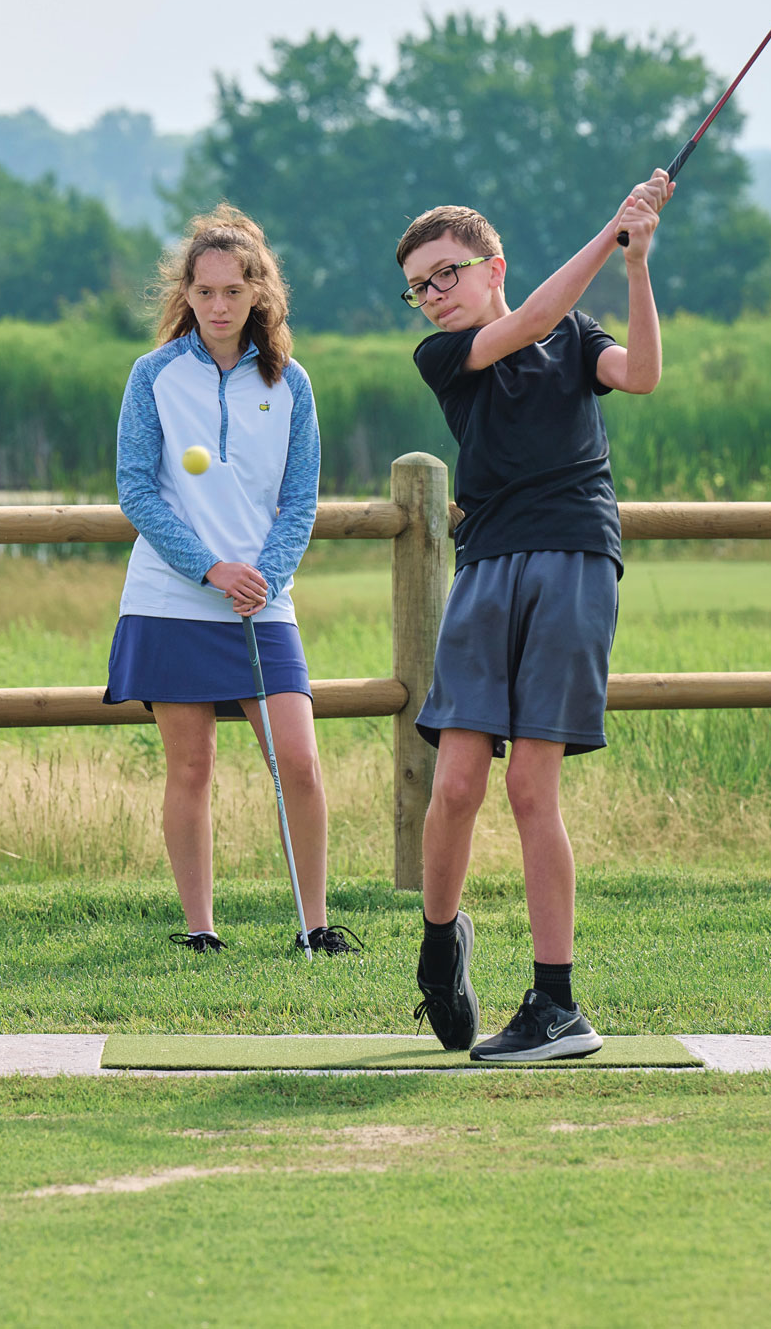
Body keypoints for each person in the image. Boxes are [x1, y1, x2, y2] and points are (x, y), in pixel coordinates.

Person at [396, 169, 674, 1061]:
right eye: (420, 285)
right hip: (488, 565)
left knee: (530, 787)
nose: (435, 294)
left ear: (492, 263)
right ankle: (442, 949)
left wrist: (634, 264)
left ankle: (556, 1003)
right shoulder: (449, 354)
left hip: (575, 555)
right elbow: (526, 324)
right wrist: (610, 226)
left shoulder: (577, 334)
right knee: (456, 785)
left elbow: (642, 375)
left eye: (448, 273)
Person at [104, 205, 357, 958]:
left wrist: (265, 577)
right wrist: (210, 567)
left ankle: (314, 925)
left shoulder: (292, 384)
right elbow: (137, 490)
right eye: (204, 291)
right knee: (191, 767)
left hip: (263, 603)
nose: (218, 306)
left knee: (300, 762)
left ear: (259, 294)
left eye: (233, 291)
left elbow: (300, 499)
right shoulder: (153, 376)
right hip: (172, 597)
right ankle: (200, 928)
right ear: (186, 292)